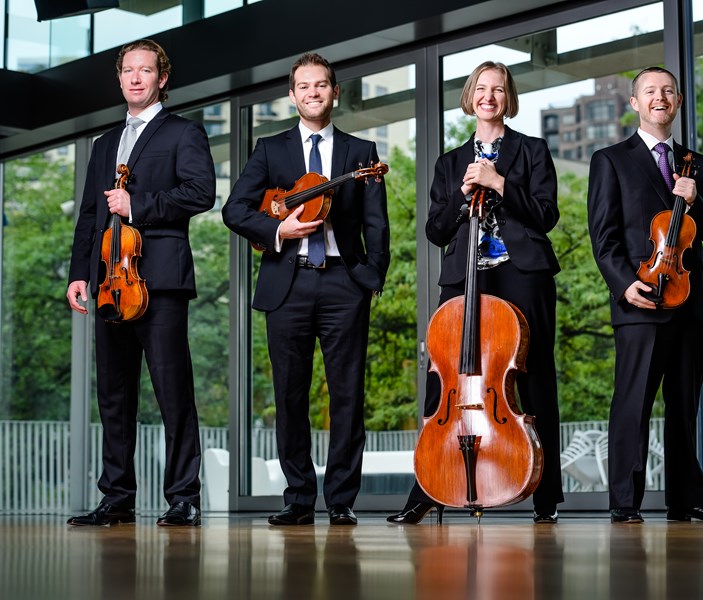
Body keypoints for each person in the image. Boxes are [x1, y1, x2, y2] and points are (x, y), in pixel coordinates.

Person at [387, 61, 563, 525]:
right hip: (466, 276)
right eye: (481, 89)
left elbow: (546, 215)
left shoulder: (532, 150)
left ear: (508, 98)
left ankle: (546, 495)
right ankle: (427, 488)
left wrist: (499, 184)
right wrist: (464, 196)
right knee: (442, 377)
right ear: (470, 97)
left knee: (534, 377)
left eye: (498, 89)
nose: (489, 96)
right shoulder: (449, 163)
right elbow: (435, 230)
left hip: (522, 273)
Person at [222, 52, 390, 526]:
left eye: (321, 85)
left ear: (335, 92)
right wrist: (278, 230)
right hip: (287, 282)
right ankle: (298, 498)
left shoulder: (361, 153)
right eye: (304, 86)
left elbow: (378, 224)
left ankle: (340, 500)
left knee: (346, 395)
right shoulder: (270, 150)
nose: (313, 92)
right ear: (292, 94)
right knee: (290, 395)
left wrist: (369, 279)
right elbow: (234, 210)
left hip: (344, 282)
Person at [66, 39, 215, 527]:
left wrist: (139, 206)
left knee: (173, 391)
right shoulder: (103, 144)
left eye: (145, 71)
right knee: (113, 393)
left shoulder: (183, 133)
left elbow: (200, 193)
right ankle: (117, 498)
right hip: (110, 282)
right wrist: (78, 274)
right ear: (120, 78)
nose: (135, 78)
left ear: (162, 78)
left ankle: (183, 497)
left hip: (161, 280)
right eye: (128, 71)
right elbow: (90, 213)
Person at [586, 66, 703, 524]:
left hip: (690, 302)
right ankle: (625, 504)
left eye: (668, 91)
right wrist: (623, 284)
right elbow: (603, 236)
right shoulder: (610, 160)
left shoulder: (699, 165)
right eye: (650, 91)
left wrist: (697, 201)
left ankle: (687, 500)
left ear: (678, 101)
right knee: (633, 404)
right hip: (641, 299)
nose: (659, 97)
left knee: (684, 408)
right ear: (635, 102)